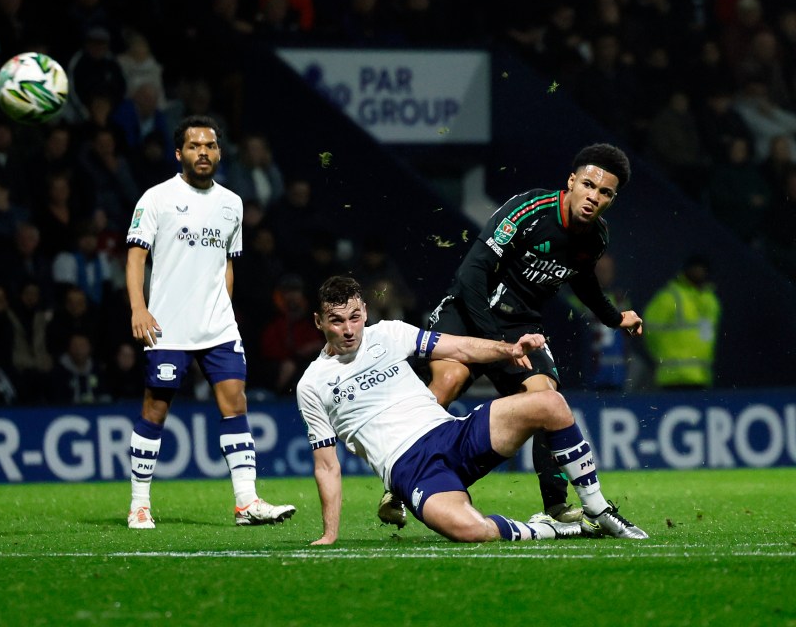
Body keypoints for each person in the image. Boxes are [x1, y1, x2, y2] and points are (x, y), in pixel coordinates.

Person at [397, 144, 644, 528]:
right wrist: (495, 344)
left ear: (612, 198)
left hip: (521, 327)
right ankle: (397, 485)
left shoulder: (596, 238)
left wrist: (615, 318)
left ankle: (558, 508)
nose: (594, 197)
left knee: (547, 398)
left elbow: (583, 282)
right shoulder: (527, 211)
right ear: (571, 181)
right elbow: (471, 275)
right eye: (589, 185)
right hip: (468, 310)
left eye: (605, 192)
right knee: (450, 378)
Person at [297, 276, 648, 544]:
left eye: (354, 317)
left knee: (549, 402)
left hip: (450, 434)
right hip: (410, 470)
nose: (348, 330)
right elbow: (327, 466)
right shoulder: (313, 384)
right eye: (337, 321)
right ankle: (551, 529)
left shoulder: (389, 334)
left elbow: (460, 348)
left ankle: (597, 508)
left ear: (365, 313)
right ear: (319, 322)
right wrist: (330, 534)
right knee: (470, 530)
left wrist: (508, 349)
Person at [124, 114, 296, 529]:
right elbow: (135, 257)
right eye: (196, 146)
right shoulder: (156, 198)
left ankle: (246, 502)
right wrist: (138, 308)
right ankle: (139, 504)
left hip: (218, 326)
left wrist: (226, 310)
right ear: (179, 152)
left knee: (236, 403)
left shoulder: (232, 203)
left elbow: (227, 265)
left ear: (219, 153)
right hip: (167, 327)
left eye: (211, 146)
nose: (204, 152)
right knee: (156, 409)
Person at [642, 255, 721, 389]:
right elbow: (649, 331)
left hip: (702, 377)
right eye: (694, 268)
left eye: (701, 269)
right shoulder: (670, 297)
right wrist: (660, 358)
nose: (698, 272)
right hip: (672, 377)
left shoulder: (711, 300)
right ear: (685, 270)